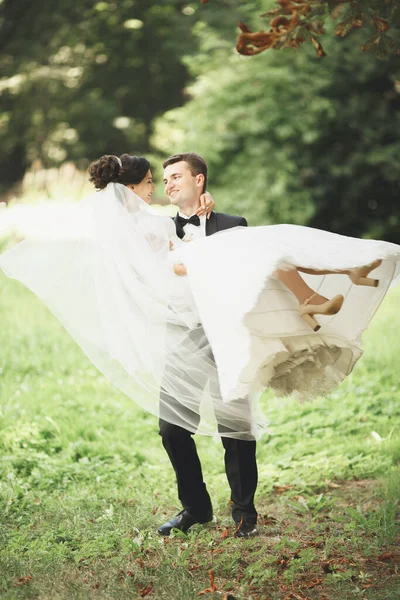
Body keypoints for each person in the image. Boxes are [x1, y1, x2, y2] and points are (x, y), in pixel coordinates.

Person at [1, 152, 399, 537]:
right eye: (159, 180)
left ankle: (245, 514)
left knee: (236, 427)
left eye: (174, 177)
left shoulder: (231, 223)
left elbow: (255, 267)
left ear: (199, 180)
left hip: (226, 332)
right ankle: (196, 508)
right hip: (182, 336)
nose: (165, 185)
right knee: (172, 429)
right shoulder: (158, 227)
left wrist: (209, 222)